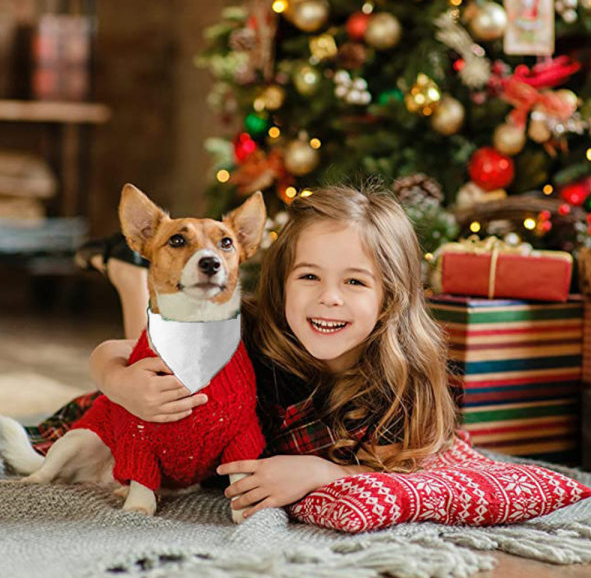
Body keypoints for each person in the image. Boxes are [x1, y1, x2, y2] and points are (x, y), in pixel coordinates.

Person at [25, 184, 457, 519]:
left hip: (204, 460)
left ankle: (127, 271)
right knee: (159, 350)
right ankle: (130, 278)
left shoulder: (403, 383)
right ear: (281, 278)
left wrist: (325, 472)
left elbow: (418, 476)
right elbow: (115, 352)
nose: (329, 298)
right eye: (309, 276)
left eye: (355, 282)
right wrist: (116, 381)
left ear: (393, 294)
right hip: (137, 423)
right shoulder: (250, 327)